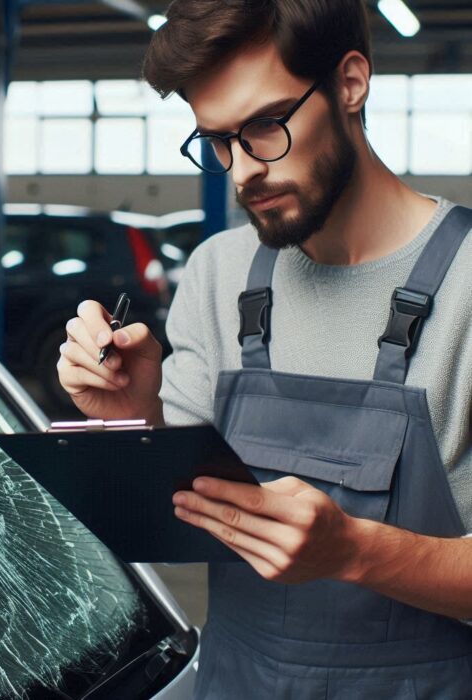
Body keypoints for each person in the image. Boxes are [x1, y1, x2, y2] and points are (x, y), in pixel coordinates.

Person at [57, 0, 472, 696]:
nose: (243, 170)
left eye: (266, 126)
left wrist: (357, 551)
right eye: (218, 141)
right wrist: (132, 417)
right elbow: (183, 517)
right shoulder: (219, 274)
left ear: (350, 83)